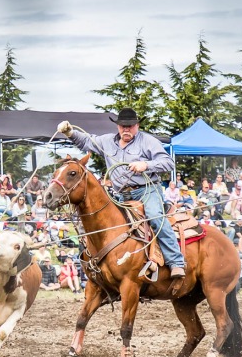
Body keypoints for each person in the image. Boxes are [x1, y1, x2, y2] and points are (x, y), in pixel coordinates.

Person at [58, 107, 186, 278]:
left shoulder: (148, 141)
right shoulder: (107, 141)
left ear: (137, 125)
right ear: (118, 126)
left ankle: (176, 262)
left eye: (130, 126)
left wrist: (146, 165)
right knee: (100, 222)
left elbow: (168, 162)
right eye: (122, 126)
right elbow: (86, 141)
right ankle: (102, 266)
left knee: (155, 217)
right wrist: (70, 132)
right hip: (119, 195)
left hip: (146, 191)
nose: (126, 129)